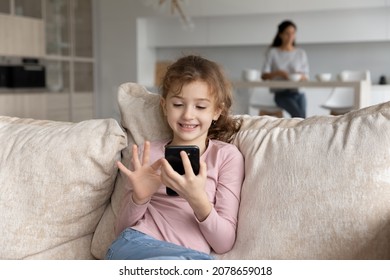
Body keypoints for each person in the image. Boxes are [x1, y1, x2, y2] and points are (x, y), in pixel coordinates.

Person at [105, 55, 245, 260]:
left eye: (200, 107)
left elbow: (223, 243)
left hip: (190, 258)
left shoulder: (226, 157)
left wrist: (198, 200)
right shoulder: (148, 152)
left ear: (217, 111)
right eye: (178, 104)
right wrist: (139, 198)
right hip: (136, 243)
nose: (188, 115)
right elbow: (121, 231)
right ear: (165, 105)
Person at [261, 20, 309, 118]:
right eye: (287, 33)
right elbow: (264, 75)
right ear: (280, 34)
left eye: (293, 33)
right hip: (281, 94)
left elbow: (306, 76)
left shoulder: (301, 53)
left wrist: (299, 76)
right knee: (299, 116)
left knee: (302, 118)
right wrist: (278, 73)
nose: (290, 36)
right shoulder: (273, 52)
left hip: (298, 92)